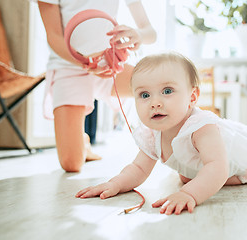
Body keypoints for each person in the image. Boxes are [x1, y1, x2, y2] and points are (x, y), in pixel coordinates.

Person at [76, 52, 247, 215]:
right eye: (144, 95)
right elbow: (138, 169)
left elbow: (218, 167)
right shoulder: (152, 134)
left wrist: (189, 193)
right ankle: (194, 175)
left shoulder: (201, 127)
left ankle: (218, 178)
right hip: (207, 162)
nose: (155, 102)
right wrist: (115, 184)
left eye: (167, 91)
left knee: (214, 176)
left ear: (192, 97)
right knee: (187, 176)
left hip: (238, 157)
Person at [37, 0, 157, 172]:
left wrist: (139, 34)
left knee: (158, 83)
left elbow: (150, 32)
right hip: (68, 67)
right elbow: (54, 36)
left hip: (110, 64)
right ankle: (82, 141)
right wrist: (87, 64)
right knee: (71, 164)